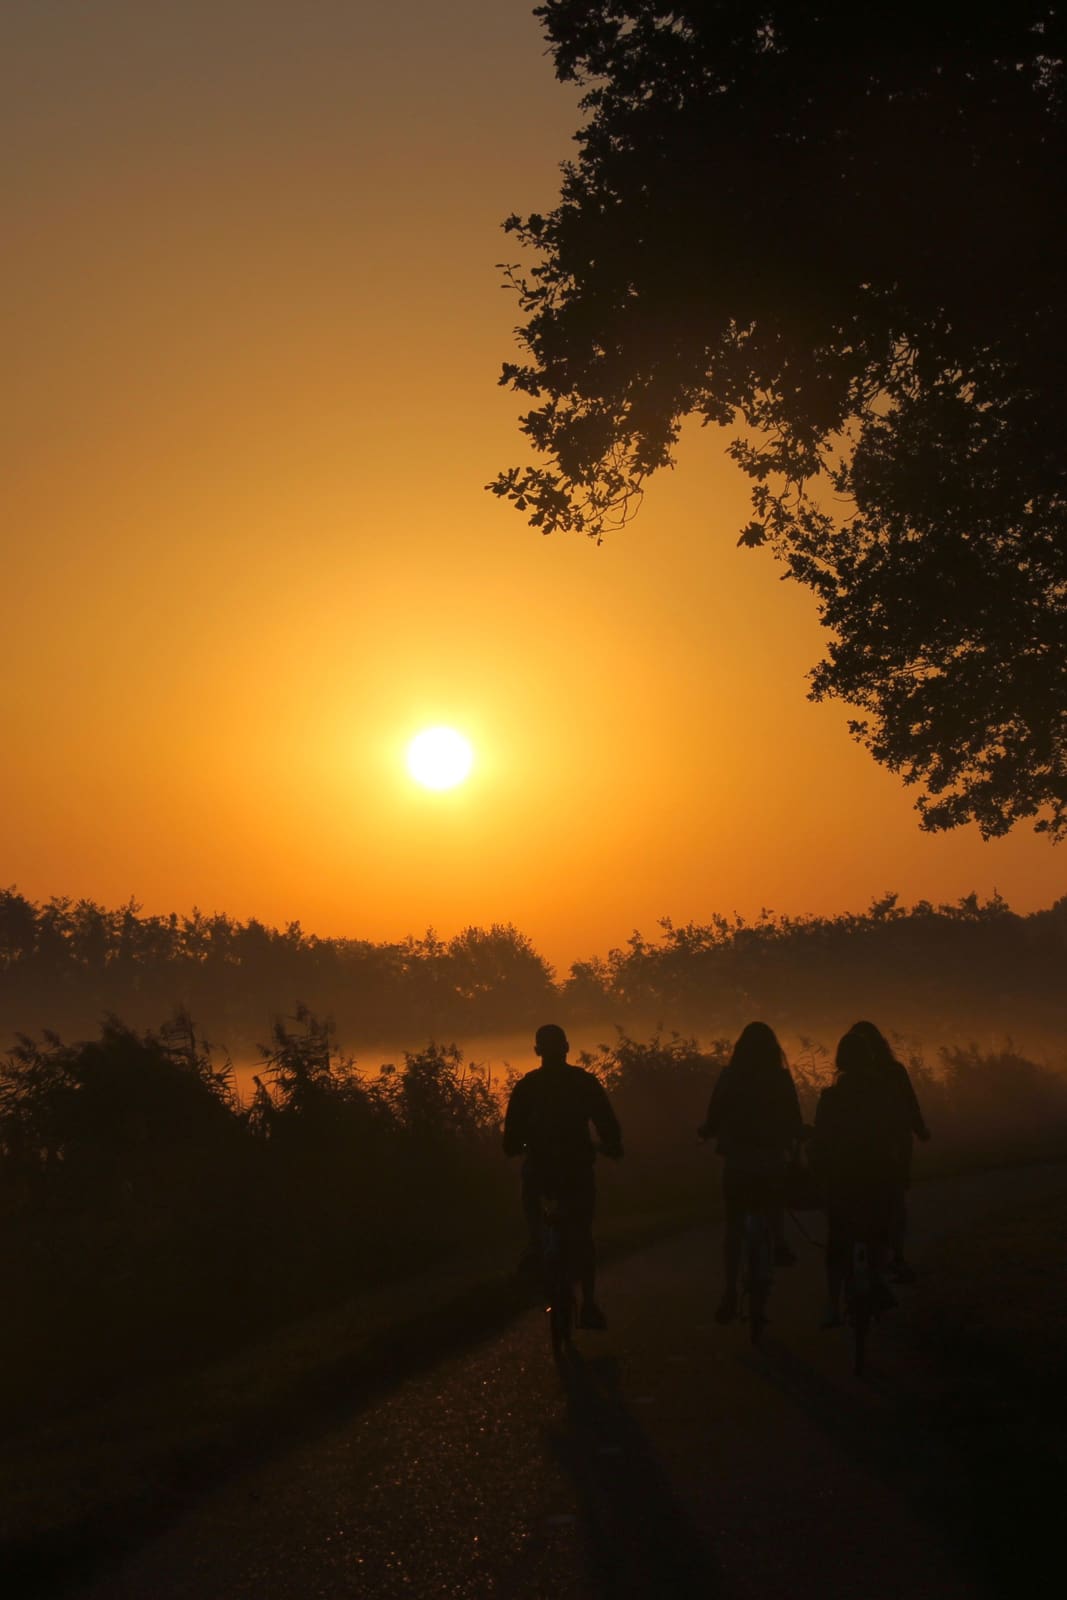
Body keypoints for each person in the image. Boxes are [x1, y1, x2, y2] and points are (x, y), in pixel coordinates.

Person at [502, 1023, 623, 1330]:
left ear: (537, 1051)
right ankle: (590, 1304)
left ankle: (535, 1246)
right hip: (576, 1171)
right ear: (567, 1048)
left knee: (534, 1211)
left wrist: (518, 1147)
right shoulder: (584, 1082)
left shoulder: (527, 1086)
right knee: (582, 1234)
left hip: (540, 1171)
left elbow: (510, 1140)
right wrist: (612, 1146)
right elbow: (607, 1124)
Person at [698, 1021, 803, 1325]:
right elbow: (794, 1119)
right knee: (773, 1201)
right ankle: (779, 1242)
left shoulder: (730, 1077)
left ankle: (729, 1293)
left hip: (738, 1162)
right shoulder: (780, 1079)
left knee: (734, 1227)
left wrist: (707, 1130)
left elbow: (714, 1115)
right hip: (771, 1159)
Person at [811, 1030, 914, 1327]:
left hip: (842, 1177)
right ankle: (878, 1278)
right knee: (879, 1233)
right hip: (878, 1175)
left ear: (840, 1061)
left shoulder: (830, 1098)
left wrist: (818, 1171)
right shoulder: (884, 1098)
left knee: (838, 1240)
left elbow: (820, 1141)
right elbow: (897, 1133)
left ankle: (832, 1304)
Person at [845, 1020, 931, 1283]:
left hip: (861, 1147)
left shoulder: (850, 1078)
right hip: (895, 1144)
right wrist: (920, 1130)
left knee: (861, 1195)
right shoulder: (894, 1071)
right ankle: (897, 1256)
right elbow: (910, 1103)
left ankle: (865, 1248)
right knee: (895, 1198)